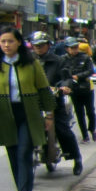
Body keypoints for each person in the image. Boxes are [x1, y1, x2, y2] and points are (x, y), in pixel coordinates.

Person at [0, 27, 55, 191]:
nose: (6, 45)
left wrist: (49, 114)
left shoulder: (31, 63)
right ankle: (23, 190)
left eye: (10, 41)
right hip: (6, 114)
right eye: (3, 41)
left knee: (23, 153)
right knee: (13, 154)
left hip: (28, 113)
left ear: (19, 42)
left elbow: (44, 88)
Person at [30, 32, 83, 175]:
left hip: (53, 101)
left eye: (41, 45)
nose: (38, 48)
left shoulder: (59, 61)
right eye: (36, 46)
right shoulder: (28, 61)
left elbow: (66, 77)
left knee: (62, 129)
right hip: (32, 102)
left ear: (48, 45)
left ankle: (76, 158)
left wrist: (64, 86)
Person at [61, 36, 96, 142]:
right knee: (79, 112)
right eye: (72, 48)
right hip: (74, 89)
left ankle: (92, 129)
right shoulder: (63, 59)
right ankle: (84, 135)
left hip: (86, 88)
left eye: (76, 47)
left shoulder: (85, 57)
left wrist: (78, 76)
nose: (75, 50)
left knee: (90, 111)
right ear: (67, 49)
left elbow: (91, 70)